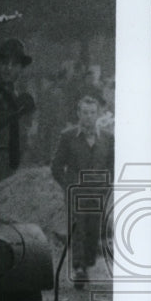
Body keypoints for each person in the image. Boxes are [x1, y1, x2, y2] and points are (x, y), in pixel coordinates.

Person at [50, 93, 114, 288]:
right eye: (84, 112)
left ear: (98, 114)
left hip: (98, 193)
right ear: (78, 114)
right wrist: (68, 186)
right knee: (78, 229)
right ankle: (79, 268)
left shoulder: (108, 138)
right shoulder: (68, 136)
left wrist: (107, 184)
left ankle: (86, 262)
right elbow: (56, 166)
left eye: (92, 112)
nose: (88, 116)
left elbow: (112, 164)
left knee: (93, 231)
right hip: (76, 193)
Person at [0, 38, 37, 177]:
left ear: (21, 68)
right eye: (4, 63)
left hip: (10, 163)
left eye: (14, 64)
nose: (8, 68)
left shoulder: (13, 92)